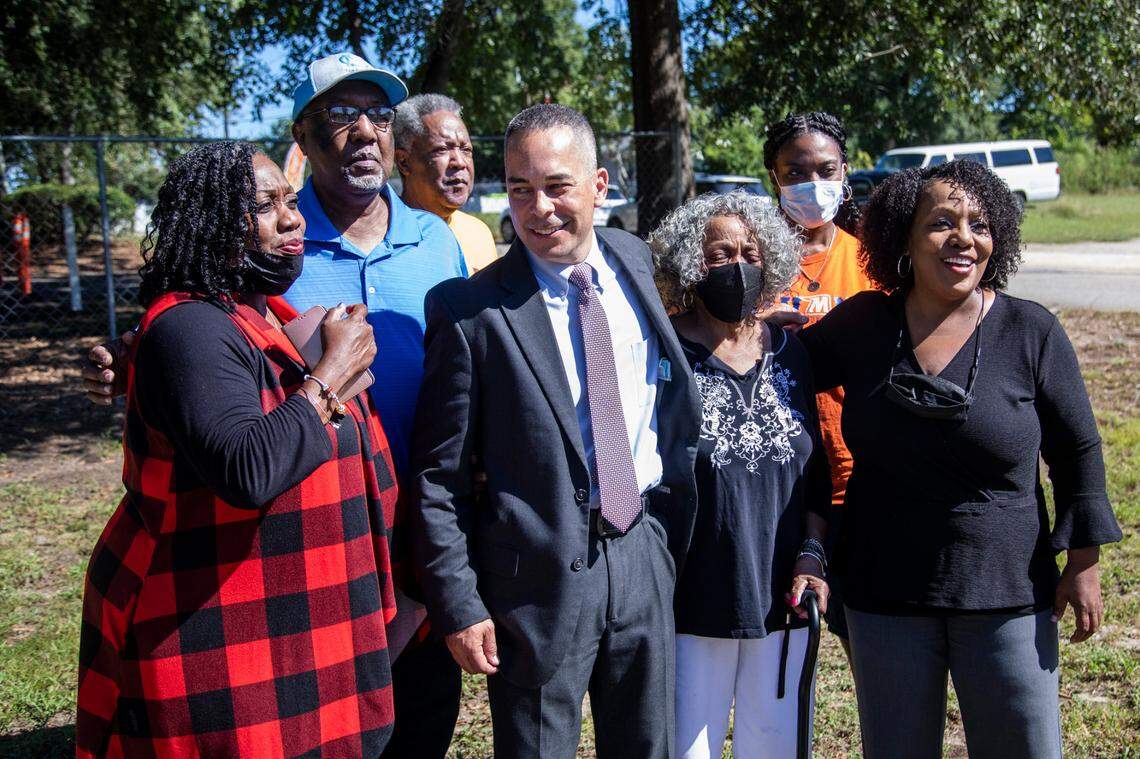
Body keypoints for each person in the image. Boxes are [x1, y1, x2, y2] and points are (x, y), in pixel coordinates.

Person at [80, 52, 468, 759]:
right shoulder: (275, 253)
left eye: (378, 115)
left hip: (418, 527)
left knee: (414, 712)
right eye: (340, 115)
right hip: (277, 570)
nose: (364, 131)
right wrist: (134, 355)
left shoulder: (437, 240)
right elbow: (202, 342)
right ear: (305, 138)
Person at [798, 159, 1122, 758]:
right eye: (941, 222)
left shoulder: (1031, 330)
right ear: (904, 238)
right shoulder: (863, 325)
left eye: (979, 223)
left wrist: (1083, 560)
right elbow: (782, 380)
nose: (964, 238)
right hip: (883, 591)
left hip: (1008, 594)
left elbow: (1078, 450)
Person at [411, 104, 700, 758]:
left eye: (556, 186)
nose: (538, 208)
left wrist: (664, 534)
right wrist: (458, 601)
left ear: (598, 186)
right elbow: (438, 477)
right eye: (519, 188)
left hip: (642, 549)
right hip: (535, 579)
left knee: (646, 744)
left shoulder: (634, 259)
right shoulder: (470, 313)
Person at [650, 191, 831, 759]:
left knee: (775, 747)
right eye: (719, 254)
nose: (738, 266)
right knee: (686, 750)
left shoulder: (793, 351)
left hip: (785, 596)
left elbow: (817, 468)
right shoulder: (660, 352)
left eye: (751, 253)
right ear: (688, 263)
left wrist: (813, 554)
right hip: (690, 599)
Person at [763, 111, 875, 644]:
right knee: (782, 648)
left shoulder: (873, 262)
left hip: (856, 475)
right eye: (794, 172)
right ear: (774, 180)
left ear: (846, 172)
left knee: (864, 637)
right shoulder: (751, 261)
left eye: (825, 170)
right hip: (779, 478)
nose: (812, 184)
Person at [393, 93, 499, 272]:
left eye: (466, 150)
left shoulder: (479, 233)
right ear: (404, 162)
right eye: (442, 149)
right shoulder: (383, 235)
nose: (460, 162)